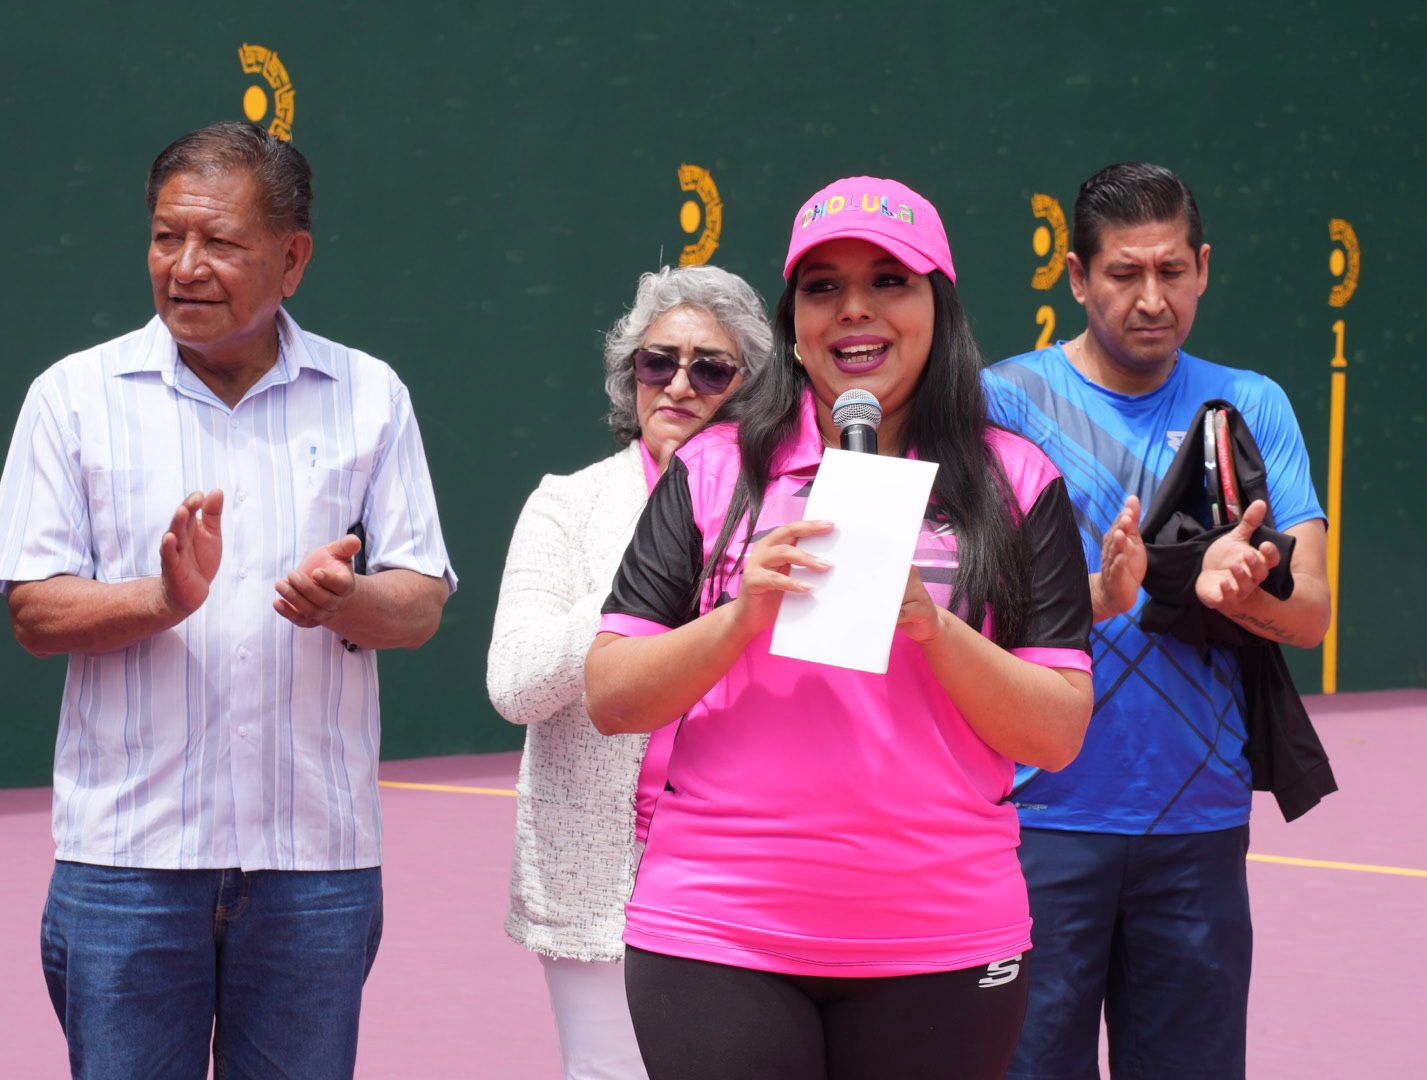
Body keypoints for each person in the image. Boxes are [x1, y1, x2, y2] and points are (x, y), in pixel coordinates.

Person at [584, 176, 1096, 1080]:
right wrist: (741, 616)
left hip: (943, 938)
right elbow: (613, 696)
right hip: (719, 930)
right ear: (792, 317)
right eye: (822, 287)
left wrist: (933, 627)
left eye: (888, 281)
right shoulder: (716, 469)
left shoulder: (1014, 482)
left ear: (937, 302)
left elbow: (1054, 732)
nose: (853, 311)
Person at [0, 121, 455, 1079]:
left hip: (315, 867)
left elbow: (417, 605)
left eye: (221, 243)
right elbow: (36, 612)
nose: (186, 267)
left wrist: (343, 599)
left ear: (292, 260)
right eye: (168, 237)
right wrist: (162, 599)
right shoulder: (72, 398)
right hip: (126, 862)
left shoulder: (370, 395)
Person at [983, 161, 1331, 1080]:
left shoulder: (1250, 406)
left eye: (1171, 272)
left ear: (1203, 267)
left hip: (1196, 826)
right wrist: (1116, 590)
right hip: (1031, 822)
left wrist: (1239, 593)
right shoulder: (1002, 403)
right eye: (1123, 274)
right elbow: (961, 607)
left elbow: (1313, 616)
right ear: (1074, 276)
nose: (1150, 299)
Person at [487, 264, 771, 1079]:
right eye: (658, 362)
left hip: (744, 870)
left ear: (747, 387)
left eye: (710, 368)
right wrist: (632, 585)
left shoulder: (781, 504)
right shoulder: (567, 505)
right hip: (598, 879)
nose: (679, 384)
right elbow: (513, 687)